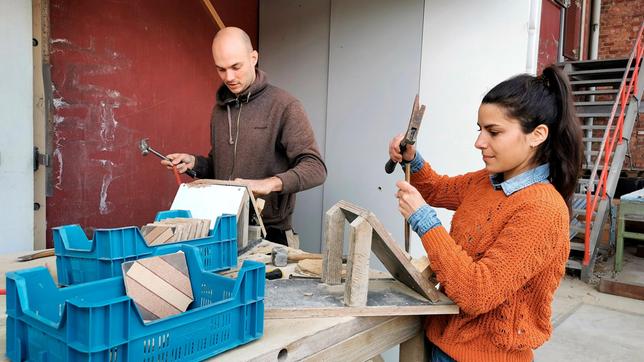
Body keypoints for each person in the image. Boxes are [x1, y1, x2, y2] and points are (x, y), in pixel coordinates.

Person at [389, 65, 582, 362]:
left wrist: (425, 222)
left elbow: (478, 292)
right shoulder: (487, 181)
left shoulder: (542, 210)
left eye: (494, 132)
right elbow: (437, 188)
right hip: (440, 340)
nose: (479, 142)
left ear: (537, 135)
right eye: (480, 130)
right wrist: (413, 161)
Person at [163, 27, 327, 245]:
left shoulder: (285, 105)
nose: (229, 77)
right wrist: (195, 163)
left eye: (236, 67)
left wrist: (268, 183)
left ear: (253, 58)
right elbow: (219, 166)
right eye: (221, 69)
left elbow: (316, 168)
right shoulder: (219, 111)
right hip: (222, 230)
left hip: (270, 235)